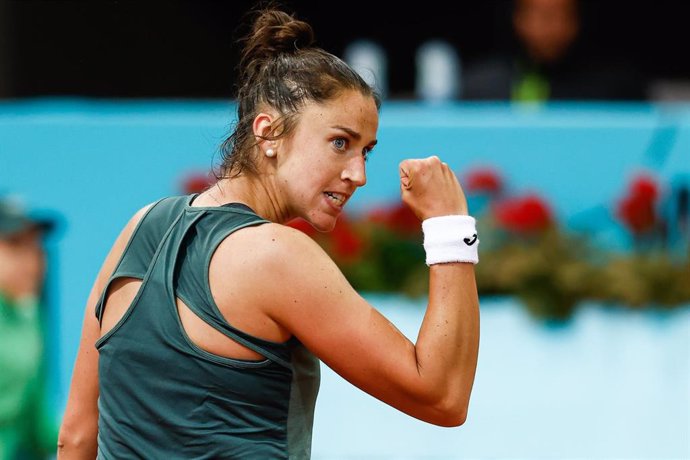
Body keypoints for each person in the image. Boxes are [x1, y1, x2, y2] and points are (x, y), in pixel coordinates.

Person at [58, 6, 480, 459]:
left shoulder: (138, 226)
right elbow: (441, 396)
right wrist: (449, 226)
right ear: (268, 132)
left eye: (366, 152)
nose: (357, 173)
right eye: (340, 142)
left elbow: (77, 437)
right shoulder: (277, 256)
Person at [462, 0, 647, 102]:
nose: (555, 27)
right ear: (519, 18)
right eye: (545, 17)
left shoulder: (614, 88)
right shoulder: (481, 86)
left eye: (564, 15)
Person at [0, 197, 59, 459]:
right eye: (14, 244)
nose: (32, 258)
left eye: (36, 246)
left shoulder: (31, 319)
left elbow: (38, 428)